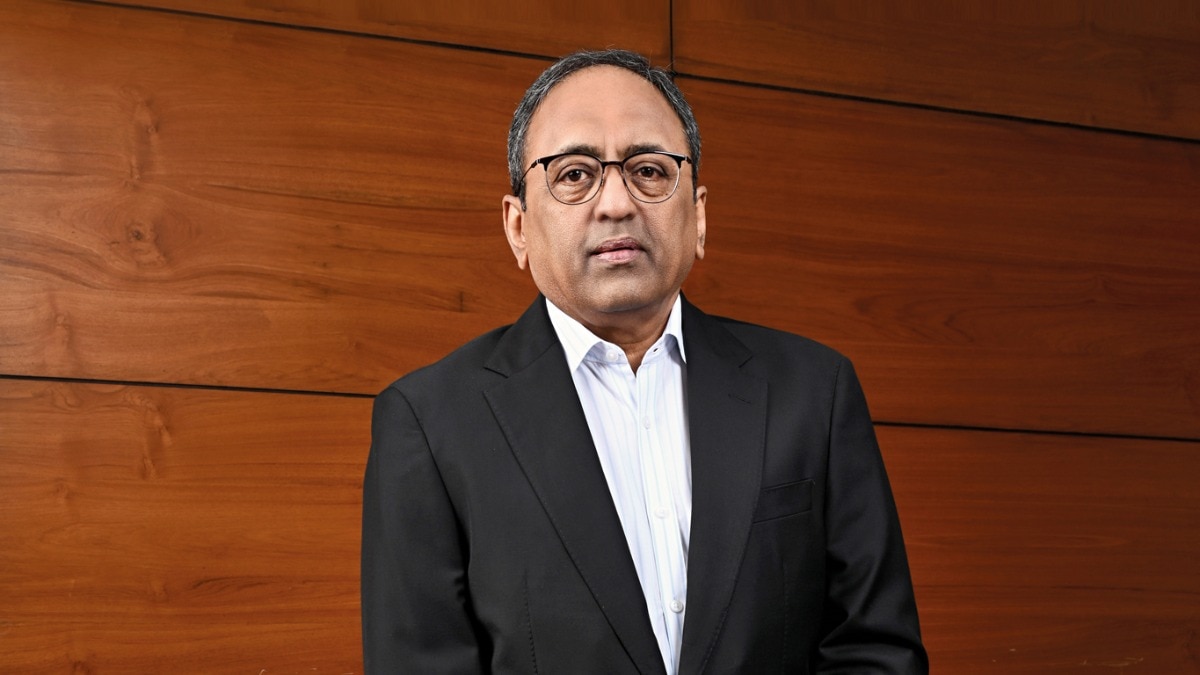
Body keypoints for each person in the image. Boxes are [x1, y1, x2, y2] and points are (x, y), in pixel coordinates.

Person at [361, 49, 927, 674]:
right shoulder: (431, 423)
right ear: (518, 227)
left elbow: (876, 650)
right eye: (574, 174)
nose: (616, 204)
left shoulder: (813, 392)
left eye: (649, 170)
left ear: (699, 216)